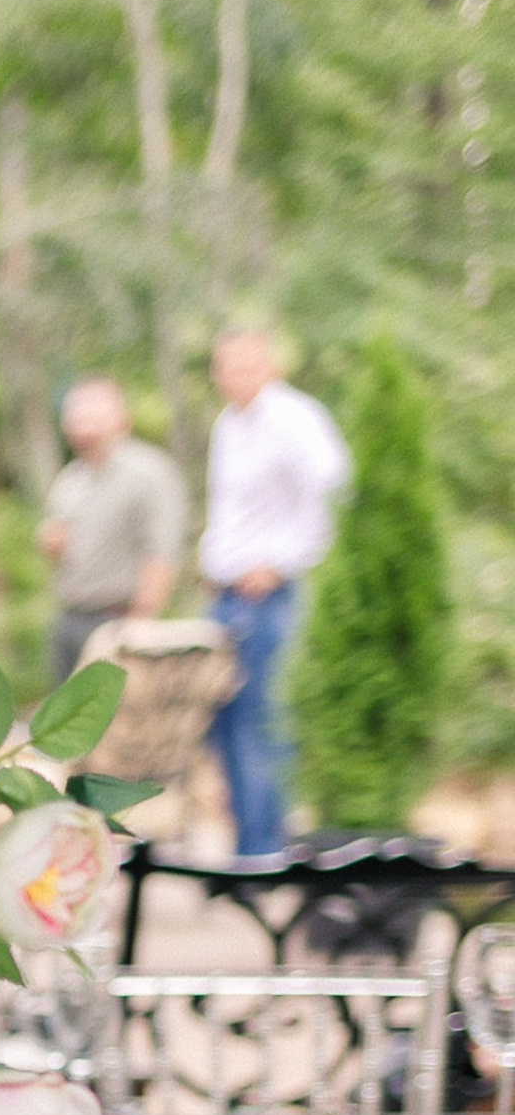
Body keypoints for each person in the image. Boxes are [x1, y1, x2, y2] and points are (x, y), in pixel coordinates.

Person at [197, 326, 352, 857]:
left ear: (270, 365)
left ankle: (264, 854)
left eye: (245, 364)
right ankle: (245, 849)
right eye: (224, 366)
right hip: (223, 595)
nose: (233, 375)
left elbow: (333, 494)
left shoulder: (295, 418)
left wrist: (282, 565)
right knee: (222, 729)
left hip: (268, 598)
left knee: (263, 725)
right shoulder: (227, 424)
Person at [38, 378, 187, 688]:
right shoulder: (70, 479)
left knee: (118, 730)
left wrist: (140, 625)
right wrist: (52, 546)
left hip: (120, 624)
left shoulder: (148, 472)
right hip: (70, 621)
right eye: (76, 415)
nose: (83, 424)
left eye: (93, 415)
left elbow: (162, 550)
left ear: (121, 419)